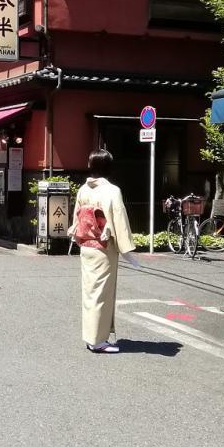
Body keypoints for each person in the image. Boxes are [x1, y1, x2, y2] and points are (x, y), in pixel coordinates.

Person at [69, 149, 136, 354]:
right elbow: (119, 217)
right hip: (103, 248)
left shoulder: (83, 190)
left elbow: (77, 217)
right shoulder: (112, 191)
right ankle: (98, 340)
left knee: (89, 292)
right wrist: (126, 249)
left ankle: (92, 337)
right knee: (101, 293)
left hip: (86, 247)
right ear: (109, 167)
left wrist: (77, 237)